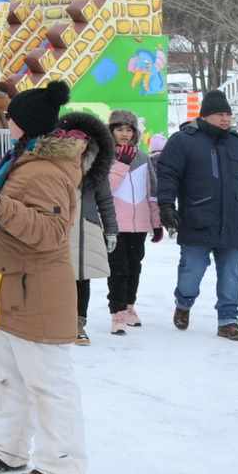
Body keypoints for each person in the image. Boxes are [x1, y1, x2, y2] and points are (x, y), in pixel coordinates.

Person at [0, 81, 88, 474]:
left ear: (24, 123)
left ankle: (62, 467)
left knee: (48, 382)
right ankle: (9, 446)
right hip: (8, 284)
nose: (6, 122)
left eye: (10, 117)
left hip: (36, 289)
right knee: (9, 376)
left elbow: (51, 231)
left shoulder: (43, 170)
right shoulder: (20, 160)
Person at [152, 90, 238, 340]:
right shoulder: (183, 141)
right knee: (191, 273)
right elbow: (168, 175)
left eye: (228, 114)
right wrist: (166, 206)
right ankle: (184, 303)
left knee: (231, 274)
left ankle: (228, 320)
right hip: (197, 218)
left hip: (233, 221)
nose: (226, 119)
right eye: (220, 114)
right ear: (205, 115)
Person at [63, 111, 117, 346]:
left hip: (87, 229)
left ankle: (78, 324)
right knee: (58, 278)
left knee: (82, 278)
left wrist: (111, 230)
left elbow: (105, 200)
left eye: (84, 140)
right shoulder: (54, 164)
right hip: (58, 228)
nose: (78, 144)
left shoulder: (96, 167)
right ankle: (58, 321)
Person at [104, 111, 160, 335]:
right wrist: (121, 164)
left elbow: (152, 192)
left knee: (135, 267)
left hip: (139, 225)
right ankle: (116, 311)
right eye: (119, 129)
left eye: (129, 130)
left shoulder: (144, 158)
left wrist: (156, 222)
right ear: (111, 132)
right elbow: (105, 189)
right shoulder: (104, 156)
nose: (124, 134)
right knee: (118, 269)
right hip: (115, 224)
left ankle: (129, 306)